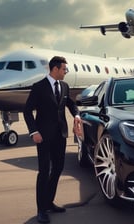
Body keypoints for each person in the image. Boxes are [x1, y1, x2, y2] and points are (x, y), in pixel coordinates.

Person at [23, 56, 82, 223]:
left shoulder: (64, 86)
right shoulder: (38, 87)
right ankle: (41, 209)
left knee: (57, 169)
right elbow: (27, 111)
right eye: (64, 69)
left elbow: (71, 104)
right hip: (43, 137)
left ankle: (48, 202)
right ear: (55, 69)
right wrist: (33, 131)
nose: (66, 72)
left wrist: (77, 115)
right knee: (44, 172)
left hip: (60, 135)